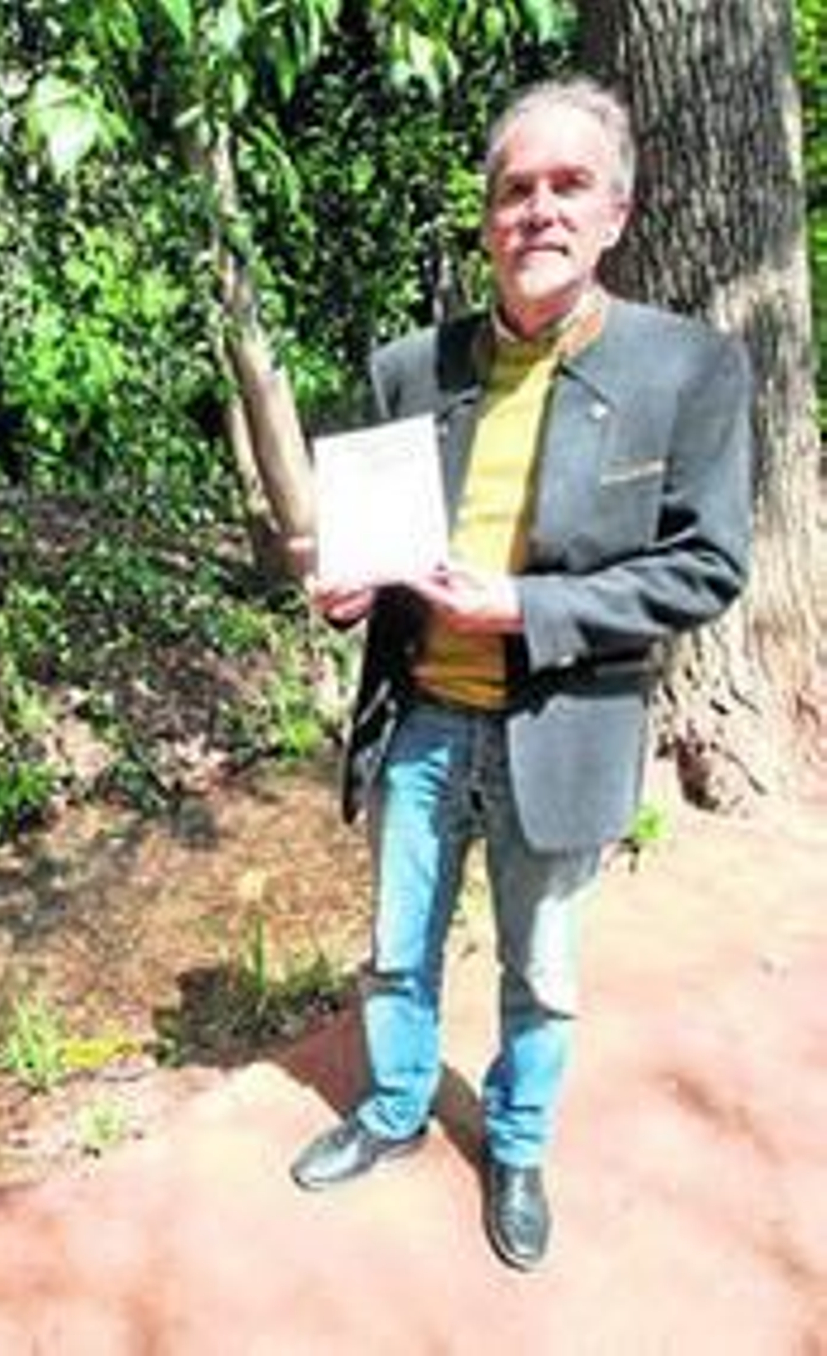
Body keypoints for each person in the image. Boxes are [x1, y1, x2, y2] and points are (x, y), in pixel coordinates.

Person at [288, 77, 754, 1272]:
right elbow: (385, 548)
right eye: (515, 189)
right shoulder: (410, 368)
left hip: (567, 719)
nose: (538, 210)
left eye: (567, 186)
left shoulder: (687, 370)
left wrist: (530, 608)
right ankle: (393, 1112)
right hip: (423, 717)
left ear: (616, 212)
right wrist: (351, 588)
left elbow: (707, 566)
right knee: (397, 945)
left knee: (540, 970)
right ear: (487, 216)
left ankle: (516, 1144)